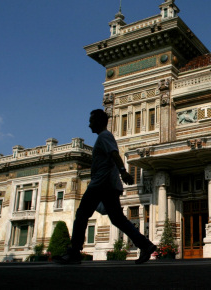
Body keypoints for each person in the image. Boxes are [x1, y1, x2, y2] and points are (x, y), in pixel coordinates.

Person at [54, 109, 156, 264]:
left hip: (101, 185)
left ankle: (74, 252)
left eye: (91, 121)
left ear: (99, 122)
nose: (89, 125)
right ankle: (145, 245)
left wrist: (124, 172)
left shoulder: (104, 136)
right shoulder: (103, 138)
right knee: (118, 219)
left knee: (81, 215)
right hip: (106, 185)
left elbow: (115, 154)